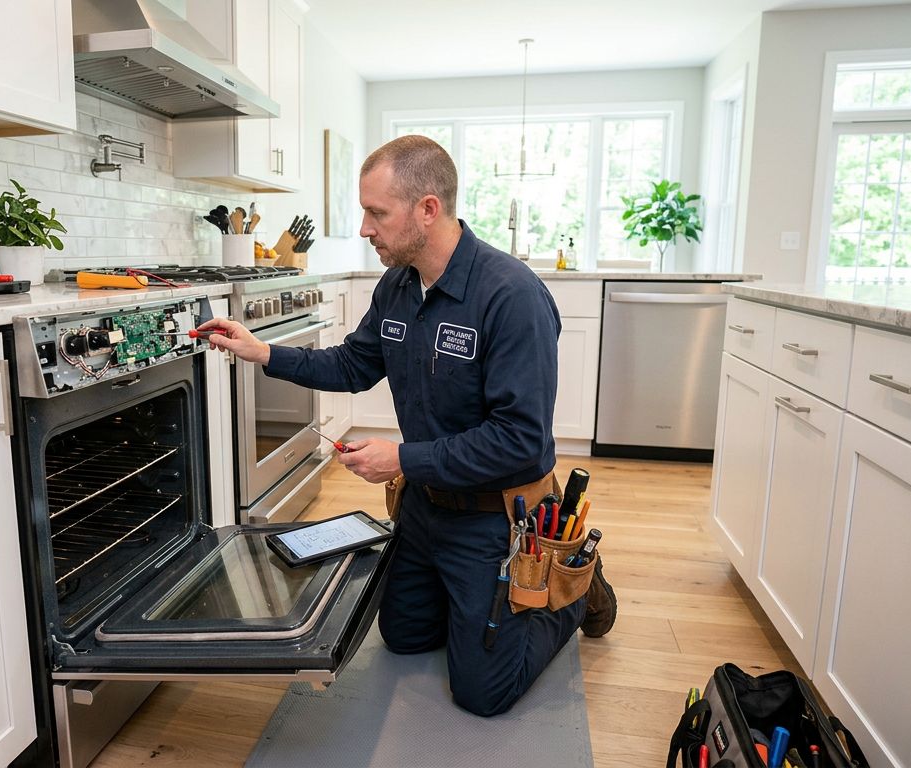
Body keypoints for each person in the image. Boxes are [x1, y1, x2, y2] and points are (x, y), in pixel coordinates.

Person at [199, 135, 616, 717]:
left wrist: (400, 459)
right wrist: (262, 352)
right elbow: (351, 364)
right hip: (424, 507)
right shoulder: (396, 286)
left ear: (428, 208)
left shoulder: (511, 295)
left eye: (376, 213)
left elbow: (521, 443)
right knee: (404, 635)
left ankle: (571, 589)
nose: (365, 229)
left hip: (496, 515)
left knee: (482, 693)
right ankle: (476, 601)